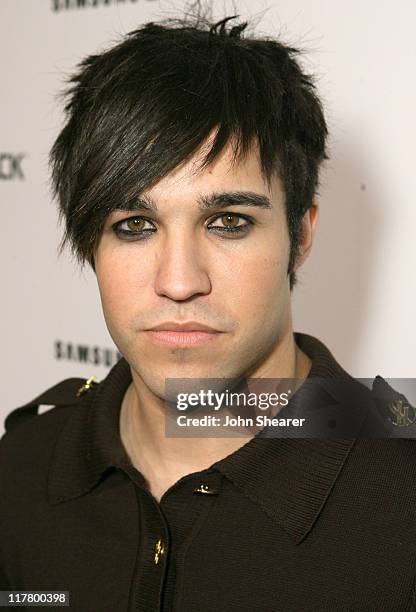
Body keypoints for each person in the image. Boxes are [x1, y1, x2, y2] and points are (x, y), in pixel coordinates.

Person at [1, 9, 415, 612]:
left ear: (300, 236)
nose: (178, 281)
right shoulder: (23, 467)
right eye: (135, 225)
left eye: (228, 223)